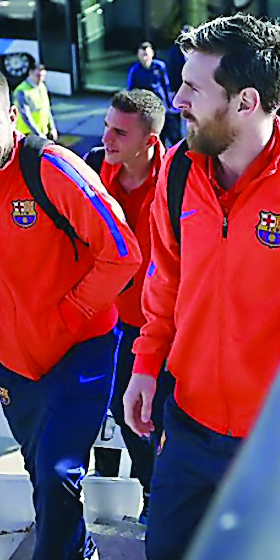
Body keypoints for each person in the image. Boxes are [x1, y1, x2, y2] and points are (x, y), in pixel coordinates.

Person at [121, 15, 280, 560]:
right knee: (168, 555)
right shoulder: (179, 173)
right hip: (190, 420)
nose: (177, 99)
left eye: (193, 88)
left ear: (246, 101)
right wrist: (145, 364)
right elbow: (165, 279)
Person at [0, 60, 142, 560]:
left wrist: (65, 316)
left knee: (56, 475)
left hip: (83, 351)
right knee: (42, 476)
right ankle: (80, 552)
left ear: (12, 116)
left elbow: (123, 254)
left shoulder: (52, 169)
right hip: (14, 361)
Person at [87, 89, 173, 524]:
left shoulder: (177, 180)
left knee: (163, 417)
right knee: (127, 415)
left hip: (163, 323)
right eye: (107, 126)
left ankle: (166, 495)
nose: (108, 138)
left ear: (150, 141)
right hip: (109, 319)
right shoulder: (91, 170)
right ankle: (150, 487)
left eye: (120, 132)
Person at [128, 42, 181, 146]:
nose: (145, 57)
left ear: (152, 54)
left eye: (147, 54)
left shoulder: (159, 66)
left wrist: (170, 103)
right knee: (156, 136)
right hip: (147, 108)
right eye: (142, 55)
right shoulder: (135, 71)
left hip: (162, 105)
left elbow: (166, 85)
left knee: (173, 134)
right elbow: (131, 91)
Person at [14, 61, 57, 141]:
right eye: (38, 75)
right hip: (27, 133)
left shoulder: (42, 87)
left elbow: (47, 109)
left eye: (42, 76)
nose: (40, 79)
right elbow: (25, 115)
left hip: (42, 132)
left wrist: (52, 128)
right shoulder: (22, 90)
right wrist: (38, 133)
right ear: (30, 73)